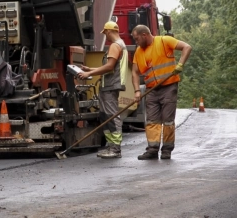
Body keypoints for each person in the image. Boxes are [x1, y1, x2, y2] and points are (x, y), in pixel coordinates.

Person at [131, 25, 192, 160]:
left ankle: (167, 150)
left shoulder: (164, 41)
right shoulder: (138, 52)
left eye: (137, 39)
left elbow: (187, 47)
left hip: (169, 87)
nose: (136, 42)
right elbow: (134, 73)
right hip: (151, 89)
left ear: (144, 35)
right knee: (152, 121)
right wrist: (136, 91)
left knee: (168, 121)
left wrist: (180, 64)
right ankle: (152, 150)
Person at [78, 21, 130, 159]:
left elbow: (109, 67)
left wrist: (89, 74)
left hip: (110, 85)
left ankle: (115, 148)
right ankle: (111, 145)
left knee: (111, 116)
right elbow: (110, 67)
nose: (105, 36)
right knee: (105, 115)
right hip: (112, 84)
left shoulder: (114, 45)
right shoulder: (121, 44)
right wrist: (91, 69)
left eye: (105, 33)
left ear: (108, 31)